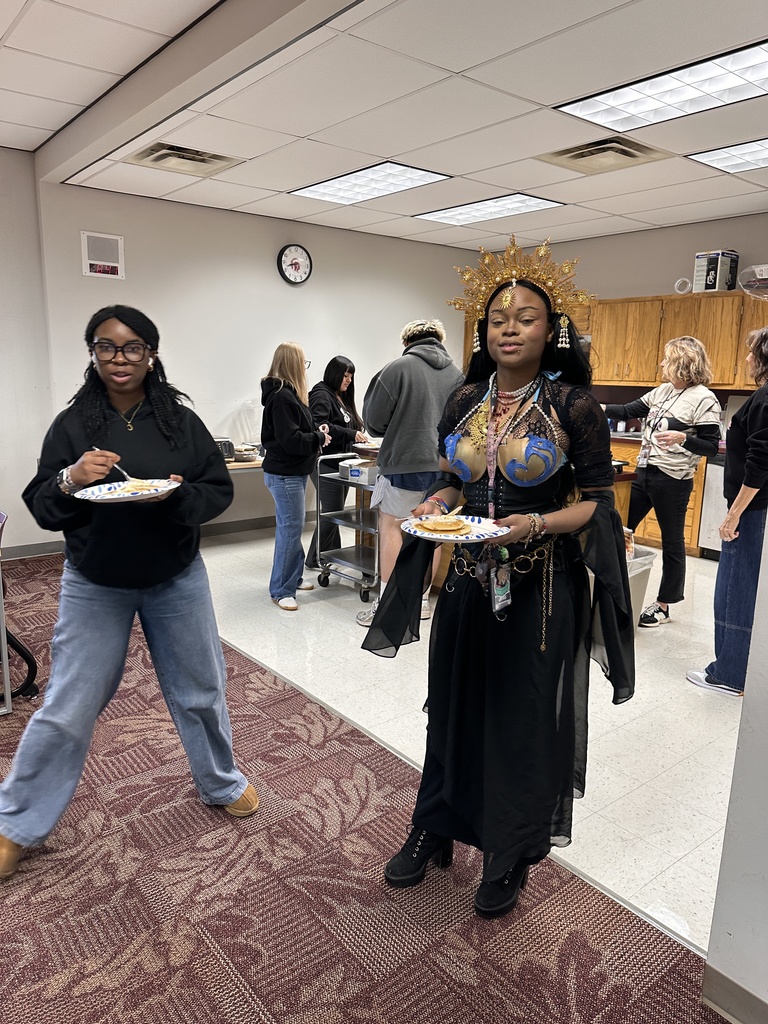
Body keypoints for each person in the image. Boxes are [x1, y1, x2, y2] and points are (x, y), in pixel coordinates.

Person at [364, 237, 634, 919]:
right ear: (483, 333)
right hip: (467, 585)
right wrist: (434, 504)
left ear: (552, 331)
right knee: (450, 709)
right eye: (497, 320)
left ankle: (509, 851)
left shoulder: (576, 406)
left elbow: (597, 505)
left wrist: (534, 525)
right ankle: (435, 827)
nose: (509, 328)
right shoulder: (462, 399)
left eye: (526, 317)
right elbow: (457, 483)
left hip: (543, 591)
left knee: (520, 723)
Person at [0, 304, 258, 882]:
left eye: (133, 347)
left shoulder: (179, 422)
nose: (120, 359)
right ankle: (14, 822)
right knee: (69, 703)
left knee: (200, 689)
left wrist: (175, 497)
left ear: (152, 354)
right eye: (107, 347)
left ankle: (220, 782)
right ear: (92, 352)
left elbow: (216, 490)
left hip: (176, 577)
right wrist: (72, 478)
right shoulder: (72, 425)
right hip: (96, 582)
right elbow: (42, 505)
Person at [604, 337, 721, 626]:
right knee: (618, 528)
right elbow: (627, 411)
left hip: (673, 479)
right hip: (644, 473)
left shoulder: (704, 398)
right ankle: (612, 588)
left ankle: (664, 605)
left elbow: (710, 445)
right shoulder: (663, 392)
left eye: (667, 360)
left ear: (683, 364)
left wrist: (683, 438)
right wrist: (587, 402)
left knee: (672, 542)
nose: (662, 364)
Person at [357, 319, 463, 626]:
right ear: (439, 341)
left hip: (404, 463)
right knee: (433, 533)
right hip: (446, 471)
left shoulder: (397, 368)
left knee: (392, 529)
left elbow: (374, 422)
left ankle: (388, 606)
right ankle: (422, 602)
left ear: (407, 342)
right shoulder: (459, 376)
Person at [688, 326, 768, 696]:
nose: (748, 358)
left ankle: (730, 674)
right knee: (744, 586)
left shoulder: (766, 398)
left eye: (753, 352)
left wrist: (733, 514)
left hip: (752, 511)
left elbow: (759, 461)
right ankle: (739, 669)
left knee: (736, 588)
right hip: (756, 509)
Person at [261, 342, 329, 611]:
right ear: (293, 364)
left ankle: (292, 577)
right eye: (303, 362)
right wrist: (319, 437)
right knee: (290, 531)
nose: (305, 368)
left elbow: (298, 431)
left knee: (290, 529)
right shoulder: (282, 397)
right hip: (285, 474)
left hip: (289, 473)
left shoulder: (288, 395)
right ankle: (281, 589)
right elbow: (291, 440)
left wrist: (317, 430)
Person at [305, 355, 368, 570]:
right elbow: (321, 425)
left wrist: (357, 432)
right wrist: (351, 434)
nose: (349, 380)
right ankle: (314, 558)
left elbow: (347, 423)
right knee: (331, 511)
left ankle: (330, 554)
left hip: (341, 462)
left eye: (351, 376)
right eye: (345, 375)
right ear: (335, 374)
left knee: (336, 511)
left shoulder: (340, 396)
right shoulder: (321, 394)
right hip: (324, 462)